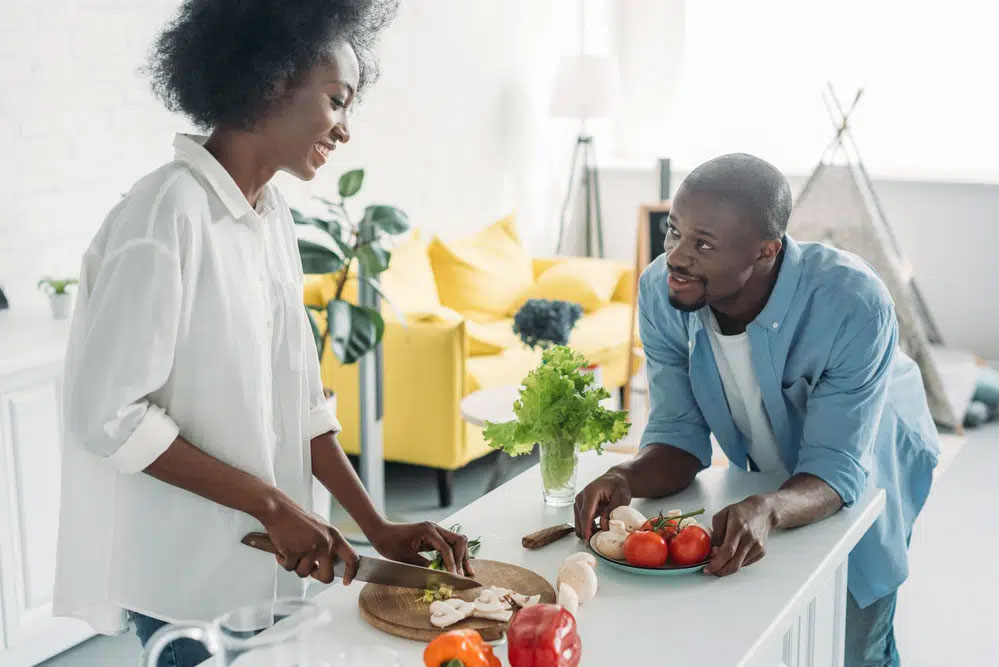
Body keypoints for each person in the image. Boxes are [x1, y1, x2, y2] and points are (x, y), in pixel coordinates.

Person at [52, 2, 472, 665]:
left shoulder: (267, 211)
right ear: (271, 80)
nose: (344, 130)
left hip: (266, 572)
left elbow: (300, 399)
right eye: (337, 101)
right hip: (184, 578)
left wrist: (376, 527)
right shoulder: (166, 213)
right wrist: (271, 503)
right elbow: (108, 415)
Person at [575, 153, 939, 666]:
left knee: (857, 630)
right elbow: (678, 437)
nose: (677, 256)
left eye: (703, 244)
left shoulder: (854, 303)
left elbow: (836, 469)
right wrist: (626, 475)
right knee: (780, 622)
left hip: (872, 445)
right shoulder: (664, 291)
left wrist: (769, 506)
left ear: (766, 250)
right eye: (673, 233)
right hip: (776, 458)